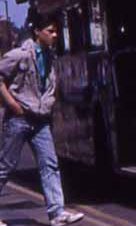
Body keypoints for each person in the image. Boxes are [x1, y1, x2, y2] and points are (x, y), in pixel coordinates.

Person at [0, 13, 84, 226]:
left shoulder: (50, 56)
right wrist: (11, 104)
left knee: (49, 164)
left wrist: (50, 102)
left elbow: (50, 84)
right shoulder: (19, 55)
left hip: (40, 119)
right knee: (6, 166)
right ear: (37, 32)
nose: (55, 35)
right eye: (50, 31)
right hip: (18, 118)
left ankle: (57, 213)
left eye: (56, 31)